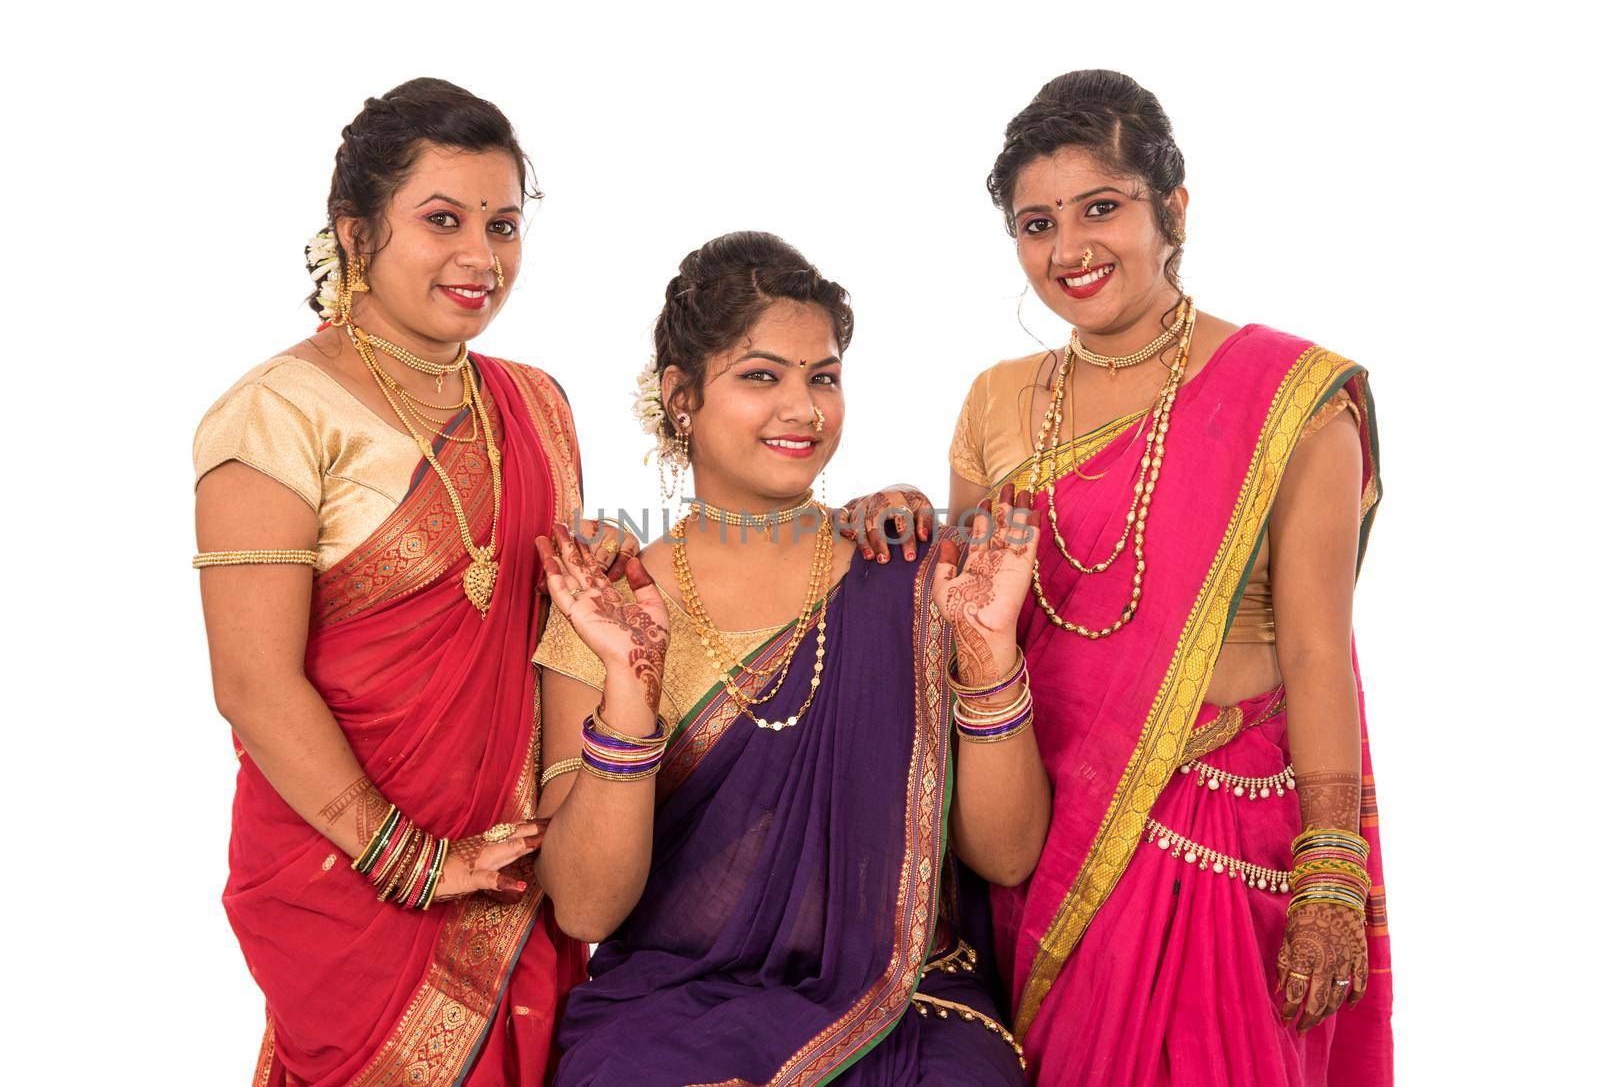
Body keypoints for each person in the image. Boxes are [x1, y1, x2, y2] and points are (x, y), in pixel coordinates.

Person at [948, 70, 1392, 1085]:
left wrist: (1331, 873)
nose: (1068, 251)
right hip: (1039, 828)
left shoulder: (1292, 401)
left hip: (1220, 837)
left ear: (1172, 210)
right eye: (1035, 223)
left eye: (1100, 207)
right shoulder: (995, 402)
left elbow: (1320, 646)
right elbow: (968, 628)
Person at [531, 232, 1051, 1084]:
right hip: (673, 1004)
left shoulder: (908, 572)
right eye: (761, 375)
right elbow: (588, 904)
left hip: (904, 1001)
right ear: (681, 396)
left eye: (824, 376)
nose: (804, 408)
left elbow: (1005, 855)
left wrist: (989, 653)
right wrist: (630, 688)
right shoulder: (611, 606)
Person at [191, 78, 626, 1085]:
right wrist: (409, 860)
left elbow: (532, 634)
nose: (482, 257)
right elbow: (251, 683)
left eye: (504, 224)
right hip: (342, 879)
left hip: (513, 868)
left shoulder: (535, 403)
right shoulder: (274, 416)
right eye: (443, 220)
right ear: (354, 232)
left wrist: (595, 580)